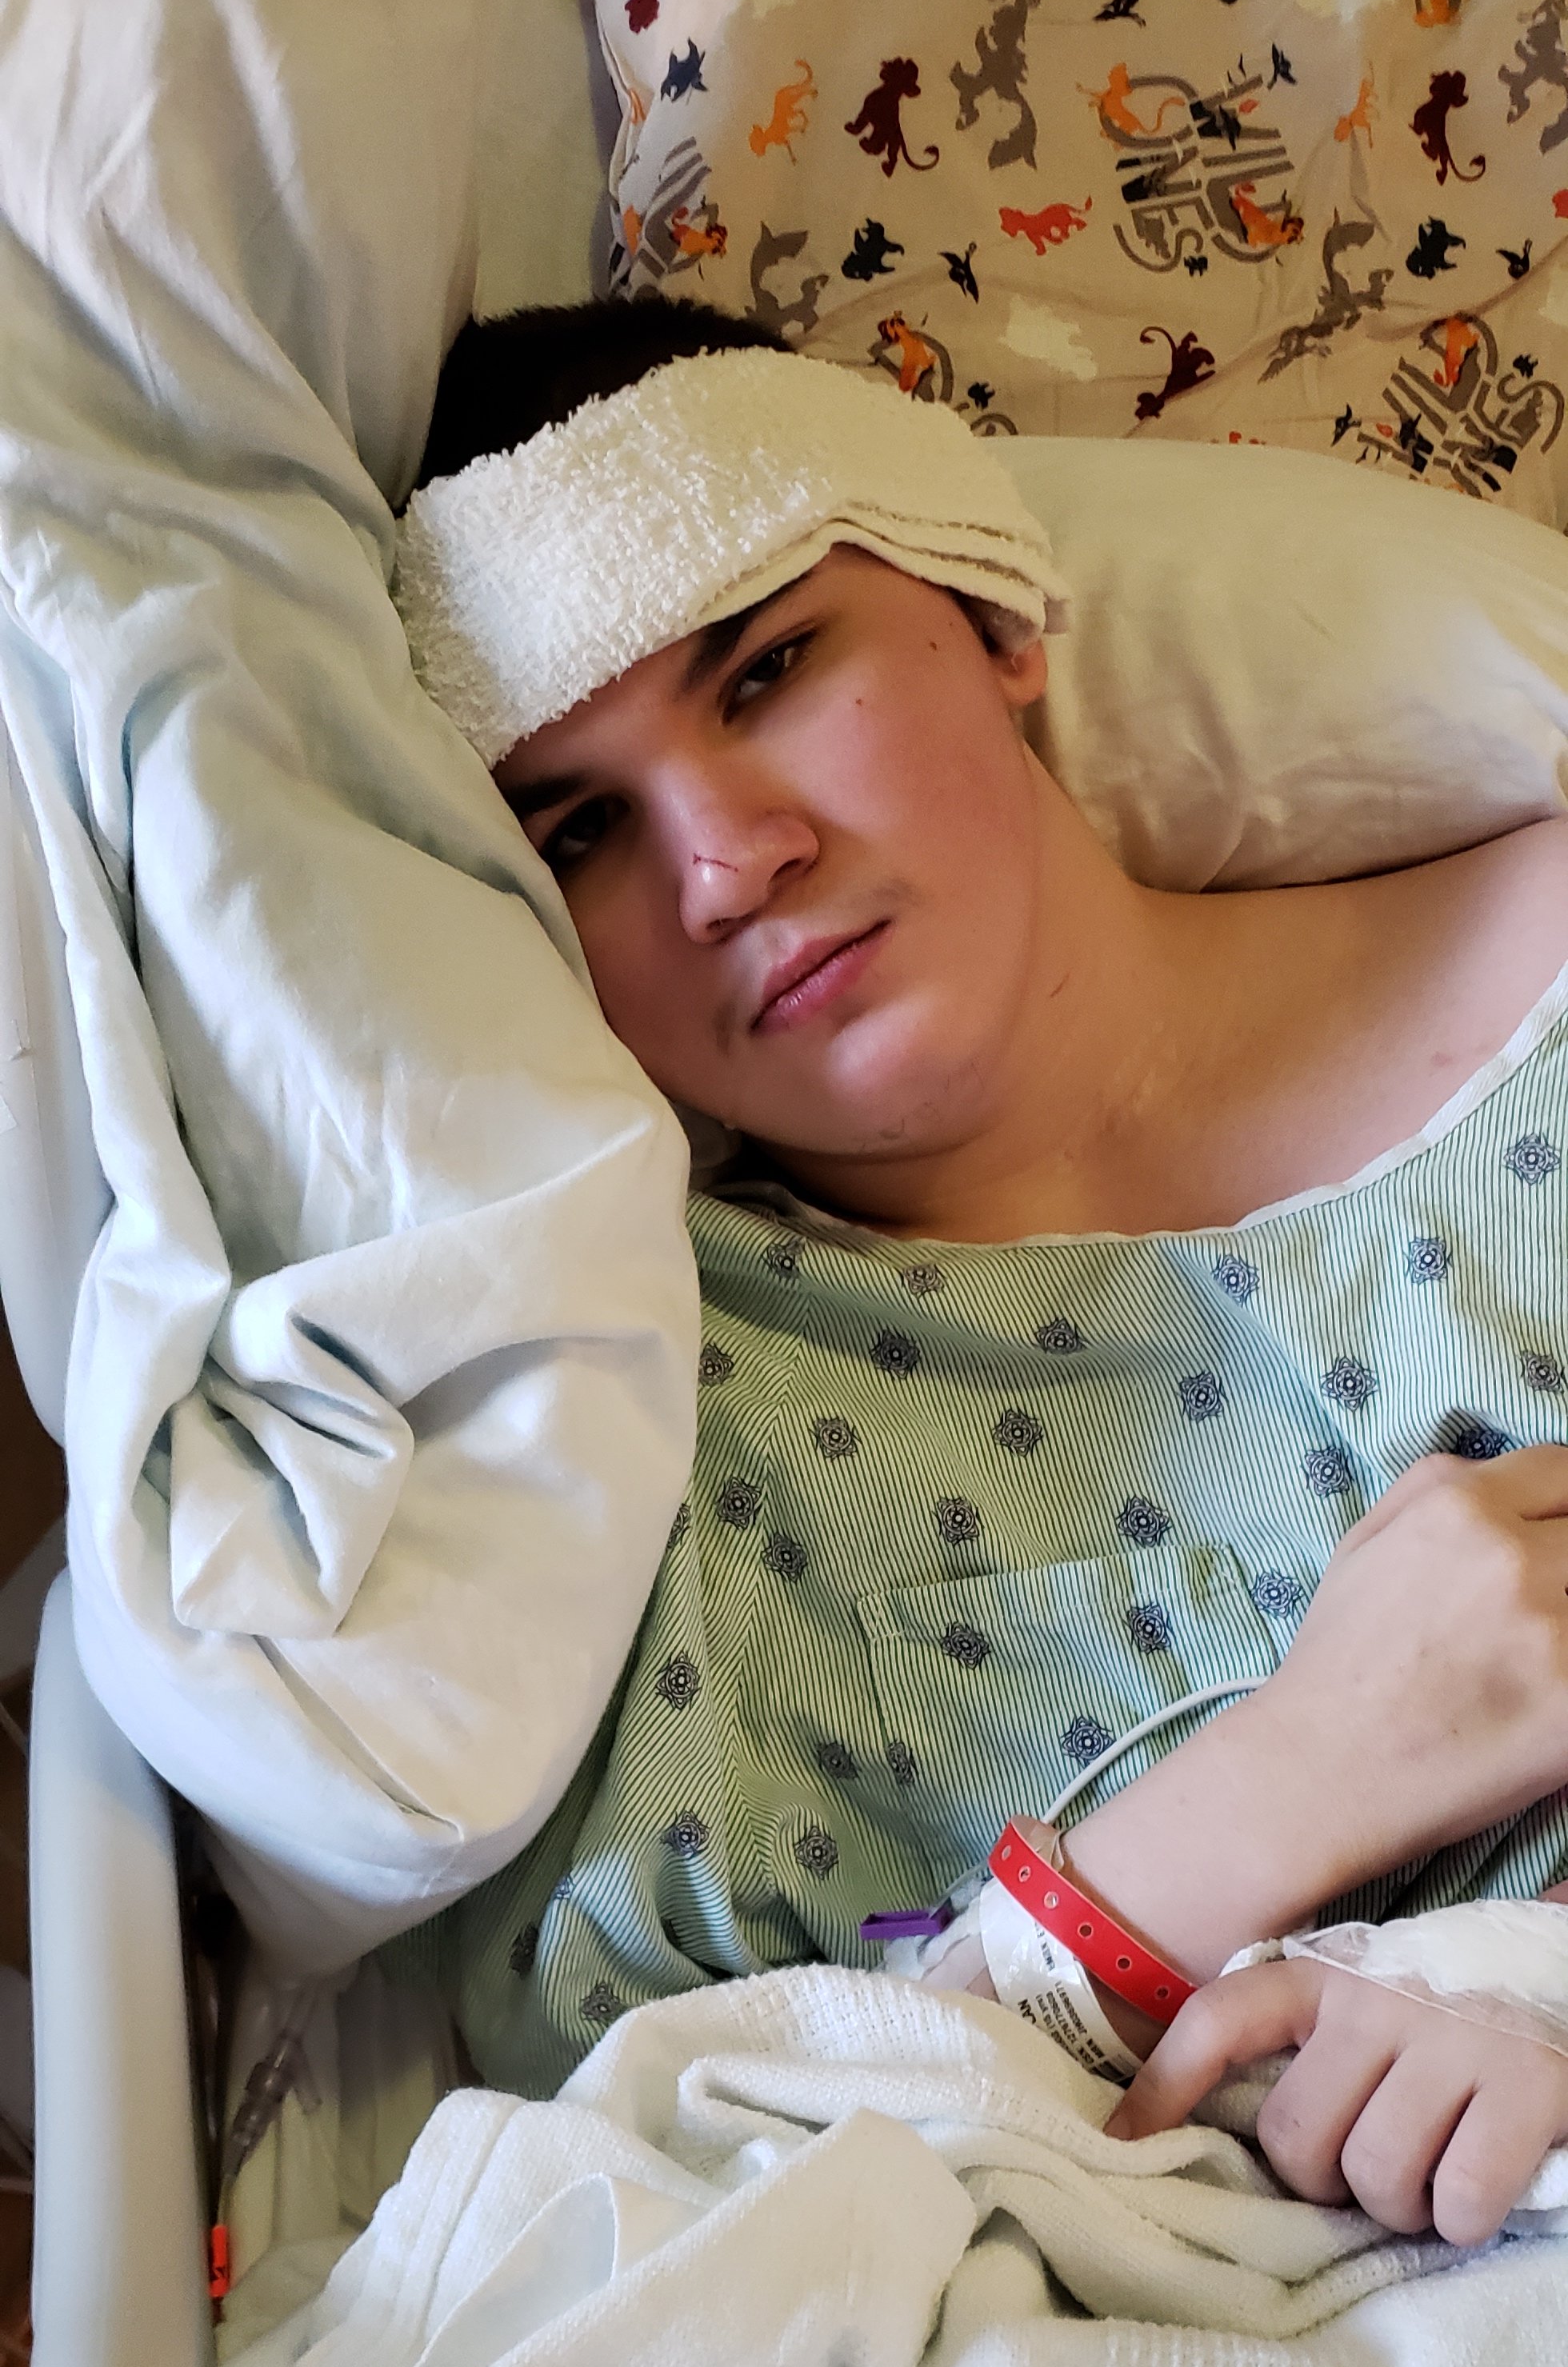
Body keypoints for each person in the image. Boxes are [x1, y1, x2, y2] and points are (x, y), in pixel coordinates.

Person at [388, 298, 1568, 2245]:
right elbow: (651, 2221)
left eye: (766, 670)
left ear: (996, 621)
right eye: (581, 831)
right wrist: (1291, 1784)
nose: (725, 862)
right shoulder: (659, 1436)